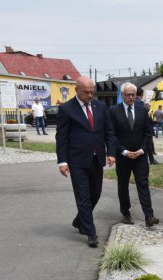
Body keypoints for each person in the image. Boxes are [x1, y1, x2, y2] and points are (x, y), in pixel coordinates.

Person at [56, 76, 116, 248]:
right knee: (83, 197)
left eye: (92, 92)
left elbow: (109, 132)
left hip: (97, 159)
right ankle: (91, 233)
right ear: (77, 90)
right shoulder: (66, 109)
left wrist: (111, 152)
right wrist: (62, 161)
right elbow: (61, 137)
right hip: (77, 160)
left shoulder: (101, 107)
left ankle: (79, 220)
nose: (90, 95)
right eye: (86, 92)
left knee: (95, 194)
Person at [108, 82, 159, 228]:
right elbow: (111, 135)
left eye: (133, 94)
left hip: (140, 155)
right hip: (123, 156)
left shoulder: (142, 110)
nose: (131, 97)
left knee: (143, 184)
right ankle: (126, 212)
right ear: (122, 95)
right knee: (123, 185)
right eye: (128, 95)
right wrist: (123, 151)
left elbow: (148, 133)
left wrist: (142, 150)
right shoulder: (113, 111)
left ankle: (149, 216)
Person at [136, 88, 158, 165]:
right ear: (142, 94)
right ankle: (151, 160)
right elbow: (145, 112)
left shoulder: (133, 102)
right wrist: (147, 107)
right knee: (148, 143)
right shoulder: (140, 102)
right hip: (143, 126)